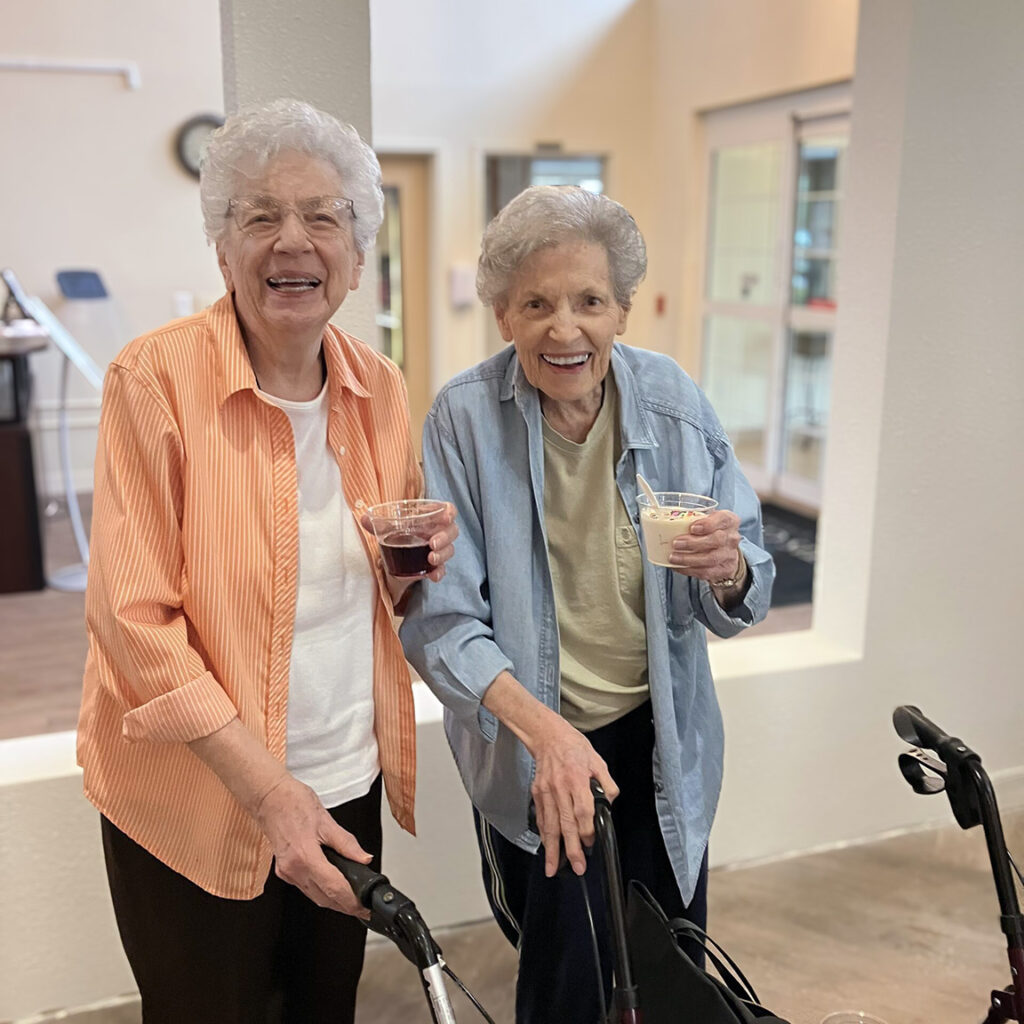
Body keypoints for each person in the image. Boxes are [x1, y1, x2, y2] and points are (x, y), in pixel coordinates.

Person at [77, 99, 457, 1024]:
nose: (293, 241)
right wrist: (269, 793)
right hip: (202, 796)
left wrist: (413, 569)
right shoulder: (153, 380)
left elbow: (376, 592)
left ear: (356, 254)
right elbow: (133, 621)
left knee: (325, 1008)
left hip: (344, 779)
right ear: (223, 248)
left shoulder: (380, 388)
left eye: (323, 216)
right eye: (260, 217)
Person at [399, 185, 774, 1023]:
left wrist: (727, 571)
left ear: (623, 311)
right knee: (568, 986)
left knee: (670, 977)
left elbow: (748, 576)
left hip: (661, 739)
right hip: (537, 741)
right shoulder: (464, 420)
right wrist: (551, 739)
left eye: (589, 302)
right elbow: (440, 622)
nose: (564, 329)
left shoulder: (673, 402)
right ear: (502, 314)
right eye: (536, 304)